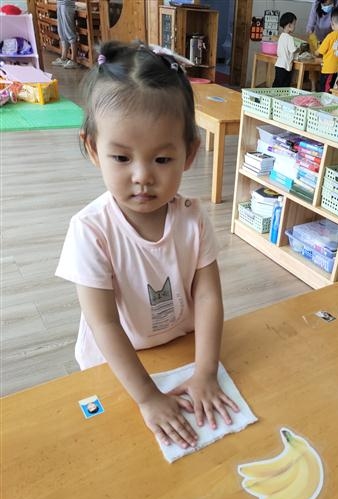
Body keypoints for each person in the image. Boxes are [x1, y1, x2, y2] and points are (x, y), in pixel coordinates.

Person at [55, 41, 240, 449]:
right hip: (118, 366)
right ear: (94, 149)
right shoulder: (91, 230)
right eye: (122, 158)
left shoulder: (192, 218)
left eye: (162, 159)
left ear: (189, 154)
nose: (142, 176)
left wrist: (206, 371)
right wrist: (147, 397)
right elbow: (104, 324)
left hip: (181, 350)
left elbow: (208, 296)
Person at [315, 7, 338, 92]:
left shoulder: (330, 36)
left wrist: (315, 52)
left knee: (324, 88)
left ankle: (325, 99)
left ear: (332, 24)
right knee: (331, 86)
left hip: (328, 68)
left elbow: (320, 51)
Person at [272, 12, 301, 88]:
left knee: (277, 83)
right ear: (289, 25)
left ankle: (272, 94)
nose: (295, 26)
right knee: (284, 85)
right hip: (285, 66)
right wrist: (299, 48)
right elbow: (293, 50)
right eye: (294, 24)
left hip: (279, 64)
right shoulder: (290, 38)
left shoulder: (281, 36)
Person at [51, 0, 78, 69]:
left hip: (67, 3)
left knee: (69, 31)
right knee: (62, 32)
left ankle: (74, 60)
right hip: (59, 3)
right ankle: (63, 58)